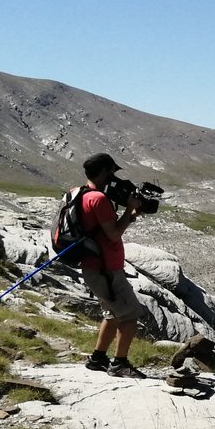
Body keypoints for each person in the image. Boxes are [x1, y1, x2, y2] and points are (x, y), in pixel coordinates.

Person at [78, 153, 146, 379]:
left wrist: (130, 215)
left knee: (112, 314)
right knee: (130, 315)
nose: (114, 178)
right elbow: (114, 234)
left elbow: (104, 229)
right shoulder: (98, 199)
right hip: (105, 270)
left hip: (95, 267)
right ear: (104, 172)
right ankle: (120, 364)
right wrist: (129, 210)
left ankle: (97, 359)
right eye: (112, 172)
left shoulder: (80, 193)